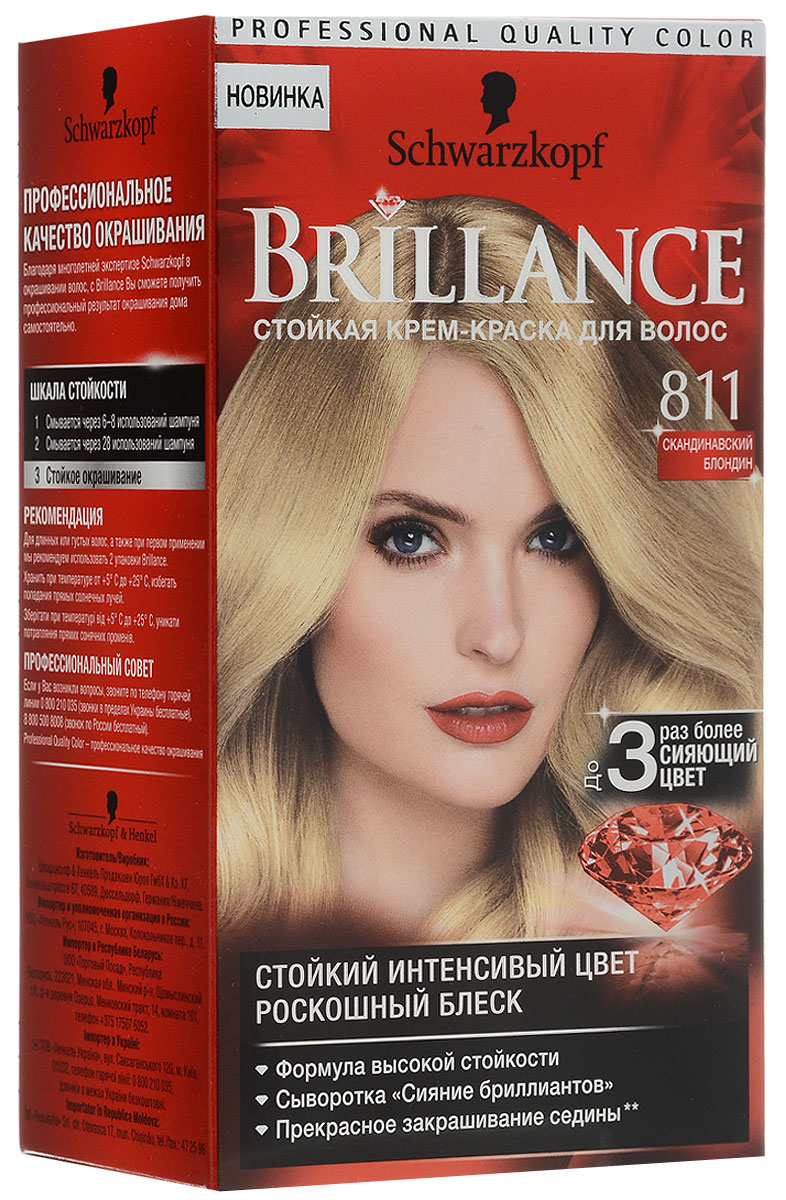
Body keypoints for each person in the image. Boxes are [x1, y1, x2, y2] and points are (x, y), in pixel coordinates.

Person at [216, 195, 761, 947]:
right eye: (411, 539)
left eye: (556, 539)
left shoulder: (674, 952)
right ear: (288, 557)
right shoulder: (191, 931)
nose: (498, 635)